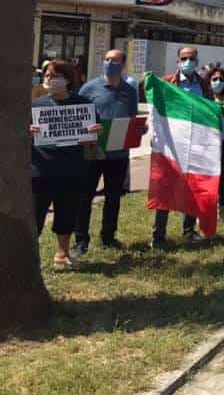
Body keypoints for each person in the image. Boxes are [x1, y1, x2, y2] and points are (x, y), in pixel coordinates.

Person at [30, 59, 101, 269]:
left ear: (68, 79)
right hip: (40, 170)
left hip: (72, 169)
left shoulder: (84, 105)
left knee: (67, 213)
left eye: (55, 76)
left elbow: (93, 141)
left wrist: (95, 132)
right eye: (46, 76)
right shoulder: (36, 105)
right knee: (35, 216)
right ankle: (30, 257)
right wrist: (29, 132)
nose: (50, 80)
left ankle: (62, 253)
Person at [74, 49, 143, 254]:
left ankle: (108, 236)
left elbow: (131, 119)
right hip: (92, 153)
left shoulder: (130, 91)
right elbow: (77, 117)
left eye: (114, 61)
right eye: (106, 60)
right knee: (84, 197)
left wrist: (139, 129)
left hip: (118, 155)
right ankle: (80, 240)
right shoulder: (89, 88)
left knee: (113, 197)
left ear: (123, 64)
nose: (109, 63)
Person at [152, 46, 210, 250]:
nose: (188, 61)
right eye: (184, 58)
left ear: (197, 61)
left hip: (195, 143)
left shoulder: (203, 84)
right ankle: (158, 235)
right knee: (165, 190)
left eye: (192, 58)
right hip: (171, 144)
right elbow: (156, 111)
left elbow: (207, 111)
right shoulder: (167, 82)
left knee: (193, 188)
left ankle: (189, 230)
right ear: (178, 61)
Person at [208, 67, 224, 222]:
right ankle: (206, 211)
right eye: (214, 79)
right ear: (209, 81)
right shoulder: (204, 101)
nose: (218, 82)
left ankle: (222, 213)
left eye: (221, 79)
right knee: (208, 179)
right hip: (207, 145)